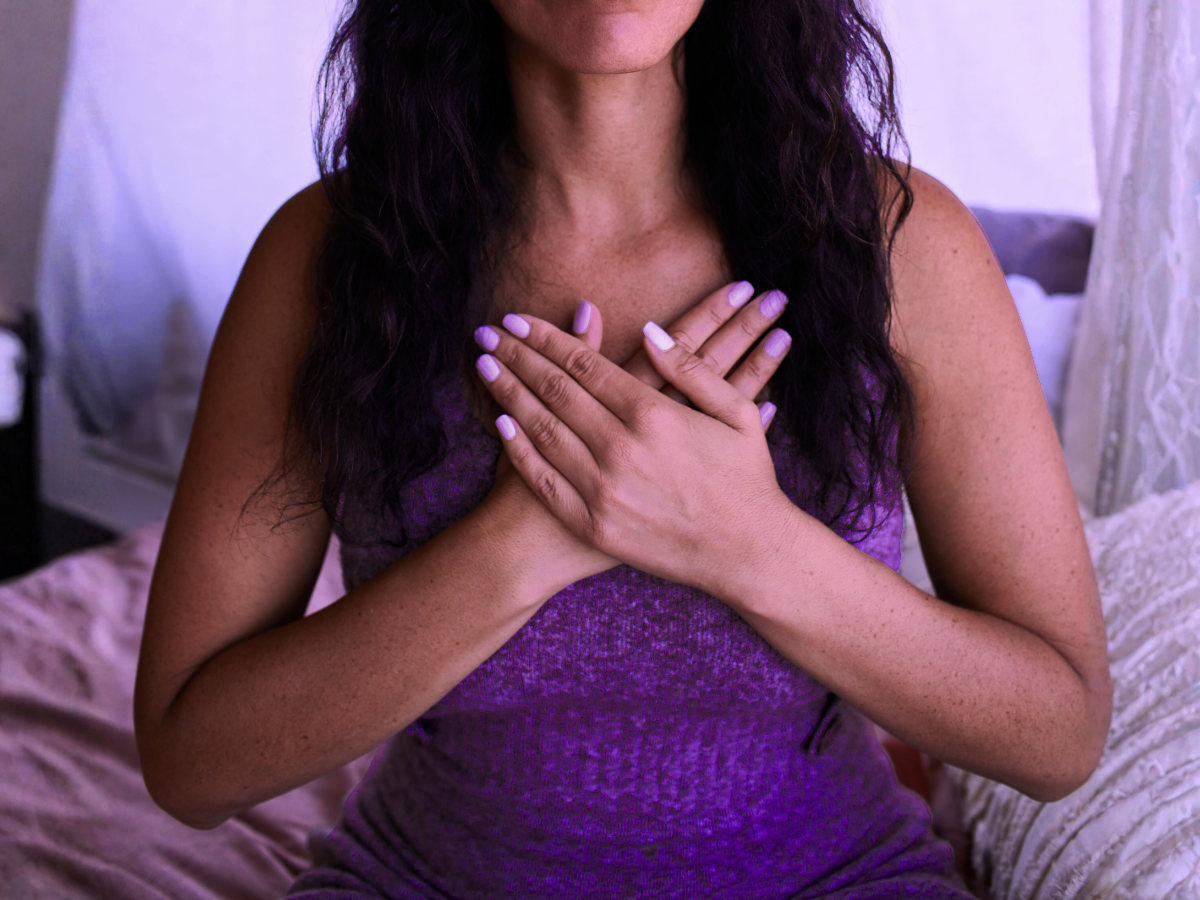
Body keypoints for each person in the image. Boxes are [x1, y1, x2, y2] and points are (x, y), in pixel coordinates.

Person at [133, 0, 1113, 896]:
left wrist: (742, 542)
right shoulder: (327, 256)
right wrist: (529, 540)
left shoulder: (902, 243)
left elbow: (1058, 731)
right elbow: (191, 762)